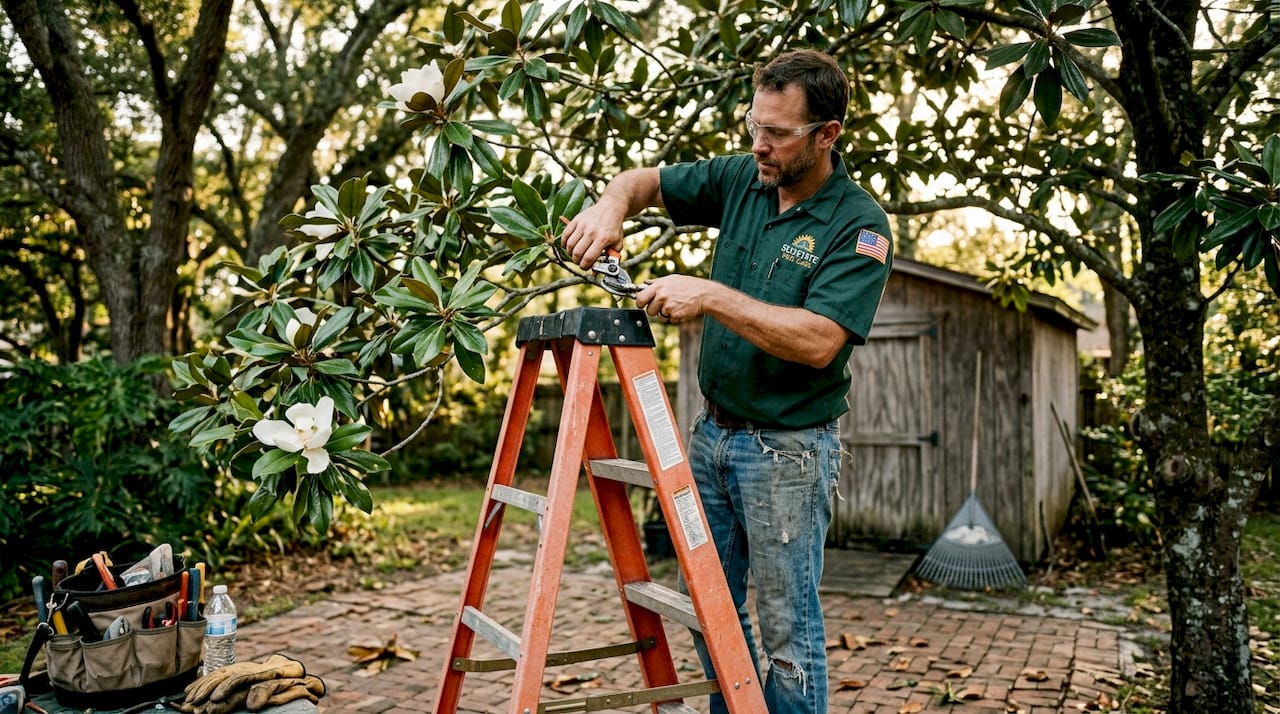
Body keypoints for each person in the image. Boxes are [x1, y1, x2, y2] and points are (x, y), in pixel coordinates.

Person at [562, 48, 893, 714]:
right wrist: (608, 207)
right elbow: (642, 180)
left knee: (787, 633)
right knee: (709, 609)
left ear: (826, 135)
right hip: (712, 437)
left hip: (787, 455)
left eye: (777, 133)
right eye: (753, 125)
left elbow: (820, 341)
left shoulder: (859, 225)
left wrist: (712, 296)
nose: (759, 145)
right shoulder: (745, 177)